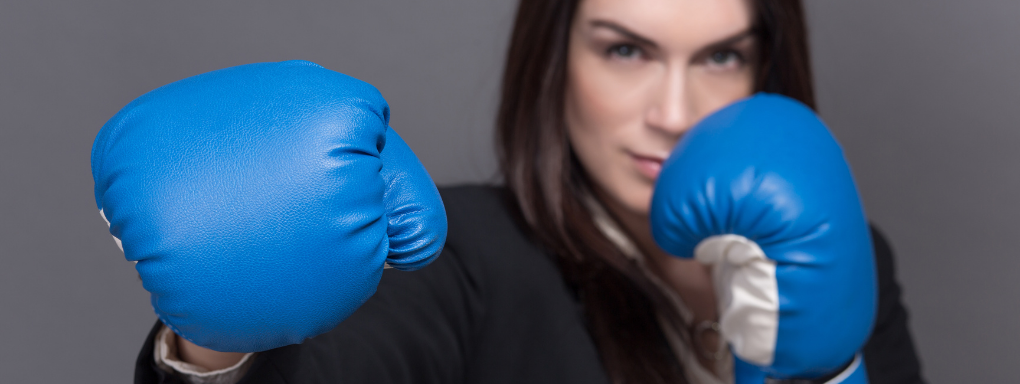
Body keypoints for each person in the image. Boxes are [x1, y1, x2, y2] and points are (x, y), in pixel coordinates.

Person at [96, 0, 923, 383]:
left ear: (766, 67)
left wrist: (823, 374)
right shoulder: (460, 257)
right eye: (626, 51)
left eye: (720, 57)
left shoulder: (852, 254)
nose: (676, 115)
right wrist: (215, 350)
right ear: (557, 59)